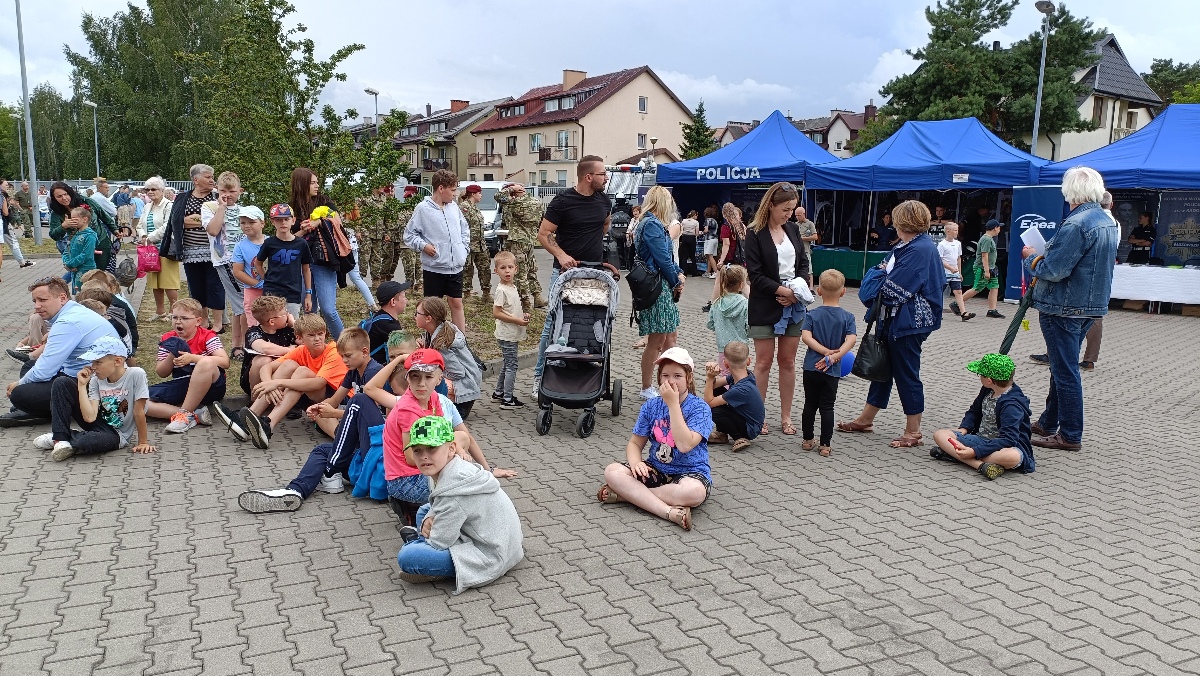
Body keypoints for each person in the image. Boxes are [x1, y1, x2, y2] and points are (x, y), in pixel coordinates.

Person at [1020, 166, 1117, 452]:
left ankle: (1070, 433)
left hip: (1064, 307)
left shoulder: (1077, 223)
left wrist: (1032, 258)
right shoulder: (1106, 220)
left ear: (1069, 192)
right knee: (1062, 368)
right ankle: (1049, 422)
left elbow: (1054, 269)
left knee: (1065, 372)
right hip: (1090, 305)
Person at [838, 200, 945, 448]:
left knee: (906, 374)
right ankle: (866, 420)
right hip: (895, 319)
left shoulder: (919, 249)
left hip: (908, 323)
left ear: (902, 222)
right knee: (882, 369)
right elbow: (875, 286)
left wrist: (880, 274)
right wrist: (880, 275)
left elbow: (890, 292)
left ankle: (913, 431)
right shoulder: (909, 245)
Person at [368, 349, 515, 509]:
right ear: (407, 378)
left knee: (462, 444)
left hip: (421, 469)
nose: (421, 383)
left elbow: (444, 434)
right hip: (405, 480)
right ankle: (426, 519)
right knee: (465, 487)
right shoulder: (408, 409)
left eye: (428, 377)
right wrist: (450, 460)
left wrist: (459, 454)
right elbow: (411, 457)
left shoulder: (434, 398)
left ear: (439, 379)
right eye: (415, 376)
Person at [395, 415, 524, 591]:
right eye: (417, 450)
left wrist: (430, 529)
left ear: (451, 448)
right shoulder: (447, 466)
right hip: (505, 541)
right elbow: (439, 506)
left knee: (407, 557)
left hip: (492, 555)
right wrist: (429, 519)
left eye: (432, 448)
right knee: (423, 512)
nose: (424, 456)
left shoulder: (454, 489)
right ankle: (420, 540)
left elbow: (440, 542)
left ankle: (425, 554)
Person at [597, 347, 712, 531]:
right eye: (665, 375)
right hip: (656, 469)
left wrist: (673, 404)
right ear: (659, 378)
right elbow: (635, 443)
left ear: (689, 378)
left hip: (690, 473)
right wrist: (635, 463)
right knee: (612, 471)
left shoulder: (700, 409)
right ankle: (668, 512)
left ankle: (628, 496)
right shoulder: (651, 406)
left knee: (695, 493)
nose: (670, 381)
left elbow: (684, 445)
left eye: (677, 376)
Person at [532, 155, 612, 392]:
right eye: (602, 174)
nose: (606, 178)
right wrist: (561, 255)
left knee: (593, 321)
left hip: (594, 273)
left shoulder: (604, 201)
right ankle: (540, 376)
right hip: (565, 274)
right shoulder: (563, 201)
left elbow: (604, 225)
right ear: (588, 177)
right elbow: (543, 234)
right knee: (553, 321)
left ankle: (585, 376)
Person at [1, 277, 121, 427]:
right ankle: (38, 409)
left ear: (62, 298)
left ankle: (46, 411)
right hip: (87, 375)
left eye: (42, 300)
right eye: (34, 301)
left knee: (19, 394)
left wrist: (18, 384)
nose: (37, 306)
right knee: (29, 367)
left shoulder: (67, 322)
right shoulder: (75, 311)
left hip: (94, 384)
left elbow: (44, 371)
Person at [744, 182, 810, 436]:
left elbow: (803, 263)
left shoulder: (793, 229)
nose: (789, 214)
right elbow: (755, 274)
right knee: (763, 362)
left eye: (792, 209)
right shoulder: (755, 233)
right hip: (765, 302)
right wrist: (781, 291)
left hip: (793, 303)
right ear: (770, 205)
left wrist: (796, 292)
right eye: (785, 209)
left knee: (788, 361)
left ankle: (786, 417)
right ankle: (758, 416)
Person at [34, 335, 153, 461]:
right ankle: (61, 439)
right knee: (61, 382)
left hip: (116, 434)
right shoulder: (96, 380)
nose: (93, 367)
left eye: (98, 362)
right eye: (92, 362)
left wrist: (143, 442)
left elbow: (138, 411)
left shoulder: (136, 374)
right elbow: (90, 417)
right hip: (97, 422)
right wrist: (81, 385)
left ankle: (63, 436)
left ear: (117, 361)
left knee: (87, 442)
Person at [238, 314, 347, 449]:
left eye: (320, 334)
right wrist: (269, 384)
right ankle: (249, 418)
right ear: (300, 338)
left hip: (338, 398)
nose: (317, 339)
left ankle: (268, 425)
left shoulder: (333, 351)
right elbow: (267, 367)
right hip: (311, 399)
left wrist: (278, 383)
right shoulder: (301, 350)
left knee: (302, 372)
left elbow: (319, 383)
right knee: (289, 364)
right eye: (311, 335)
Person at [930, 354, 1035, 481]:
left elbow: (1009, 439)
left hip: (1002, 447)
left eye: (980, 374)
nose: (979, 377)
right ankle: (981, 465)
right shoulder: (987, 390)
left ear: (989, 380)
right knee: (940, 434)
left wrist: (975, 451)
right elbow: (974, 411)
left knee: (1013, 457)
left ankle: (957, 455)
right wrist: (964, 428)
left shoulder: (1011, 406)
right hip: (980, 439)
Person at [146, 298, 230, 433]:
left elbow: (225, 362)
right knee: (140, 399)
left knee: (206, 362)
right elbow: (161, 373)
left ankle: (182, 415)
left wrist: (193, 358)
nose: (178, 321)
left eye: (184, 318)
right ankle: (192, 415)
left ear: (198, 321)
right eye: (175, 317)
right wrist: (172, 354)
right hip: (183, 384)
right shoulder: (168, 339)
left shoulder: (207, 335)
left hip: (212, 387)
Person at [633, 186, 685, 400]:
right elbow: (663, 258)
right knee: (656, 341)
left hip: (657, 285)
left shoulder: (646, 222)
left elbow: (665, 258)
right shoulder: (652, 224)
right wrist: (676, 280)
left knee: (659, 339)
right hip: (658, 287)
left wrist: (678, 273)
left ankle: (659, 384)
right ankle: (647, 387)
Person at [159, 164, 224, 332]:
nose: (212, 180)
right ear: (196, 180)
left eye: (212, 177)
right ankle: (203, 321)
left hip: (214, 251)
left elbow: (221, 220)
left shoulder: (217, 197)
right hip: (189, 250)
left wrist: (197, 219)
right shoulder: (182, 198)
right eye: (208, 177)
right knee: (196, 287)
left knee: (215, 285)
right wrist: (204, 220)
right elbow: (177, 221)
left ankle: (218, 323)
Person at [800, 270, 857, 457]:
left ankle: (808, 440)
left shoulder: (812, 315)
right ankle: (825, 444)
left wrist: (824, 352)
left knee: (810, 403)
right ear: (843, 292)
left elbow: (806, 337)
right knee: (827, 406)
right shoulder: (847, 317)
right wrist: (835, 356)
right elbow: (851, 340)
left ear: (818, 291)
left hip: (811, 366)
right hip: (832, 370)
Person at [404, 169, 470, 332]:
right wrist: (423, 246)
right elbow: (409, 235)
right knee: (432, 309)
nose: (455, 194)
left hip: (455, 267)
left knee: (456, 303)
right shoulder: (423, 209)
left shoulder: (454, 207)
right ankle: (432, 342)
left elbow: (465, 230)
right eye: (453, 190)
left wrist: (463, 249)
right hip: (434, 268)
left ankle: (461, 342)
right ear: (441, 188)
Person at [289, 167, 347, 338]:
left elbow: (338, 222)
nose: (317, 186)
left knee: (329, 310)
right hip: (302, 263)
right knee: (309, 310)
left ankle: (344, 345)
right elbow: (288, 237)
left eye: (317, 182)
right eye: (313, 182)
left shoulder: (324, 201)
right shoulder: (292, 207)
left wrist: (318, 222)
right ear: (302, 184)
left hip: (323, 260)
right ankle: (314, 349)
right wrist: (302, 231)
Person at [201, 172, 247, 356]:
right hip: (226, 260)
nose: (227, 195)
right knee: (243, 305)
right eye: (223, 191)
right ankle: (244, 344)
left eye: (232, 191)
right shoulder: (209, 207)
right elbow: (213, 230)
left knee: (241, 305)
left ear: (240, 191)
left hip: (244, 260)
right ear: (216, 190)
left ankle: (238, 344)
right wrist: (221, 208)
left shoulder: (244, 209)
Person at [414, 297, 482, 419]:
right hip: (466, 384)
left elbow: (458, 373)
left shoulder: (442, 343)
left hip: (465, 390)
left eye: (417, 313)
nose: (414, 316)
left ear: (428, 318)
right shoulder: (438, 330)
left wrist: (435, 376)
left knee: (430, 380)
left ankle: (450, 408)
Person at [702, 341, 763, 453]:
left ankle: (739, 437)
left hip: (750, 429)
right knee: (715, 392)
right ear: (749, 361)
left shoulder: (741, 389)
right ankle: (722, 432)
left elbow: (708, 402)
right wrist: (712, 375)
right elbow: (713, 386)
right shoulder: (743, 376)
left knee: (713, 410)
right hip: (745, 419)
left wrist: (709, 378)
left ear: (725, 364)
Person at [254, 204, 313, 318]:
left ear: (293, 220)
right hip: (271, 292)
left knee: (291, 325)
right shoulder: (269, 243)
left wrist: (308, 295)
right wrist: (266, 279)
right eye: (279, 220)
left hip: (293, 292)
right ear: (272, 221)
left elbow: (306, 269)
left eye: (286, 219)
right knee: (271, 323)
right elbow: (258, 263)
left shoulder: (301, 244)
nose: (283, 223)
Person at [235, 295, 297, 400]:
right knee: (263, 359)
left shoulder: (288, 330)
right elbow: (265, 348)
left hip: (280, 377)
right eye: (285, 313)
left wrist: (295, 324)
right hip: (253, 380)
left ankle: (285, 400)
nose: (288, 315)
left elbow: (307, 338)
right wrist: (291, 351)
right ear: (272, 321)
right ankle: (255, 400)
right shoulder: (254, 332)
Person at [490, 251, 530, 409]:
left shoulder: (512, 287)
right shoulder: (501, 290)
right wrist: (518, 320)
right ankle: (508, 399)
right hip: (506, 334)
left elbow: (509, 309)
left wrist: (522, 315)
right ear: (496, 271)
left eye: (510, 267)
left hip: (511, 332)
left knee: (508, 363)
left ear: (516, 269)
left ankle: (499, 393)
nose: (507, 271)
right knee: (512, 365)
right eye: (502, 268)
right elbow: (497, 313)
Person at [47, 182, 115, 271]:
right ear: (54, 199)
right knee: (82, 275)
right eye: (59, 196)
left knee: (99, 275)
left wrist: (115, 230)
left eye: (65, 194)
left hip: (101, 244)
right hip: (79, 248)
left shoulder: (86, 201)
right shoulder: (56, 213)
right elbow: (54, 235)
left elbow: (103, 215)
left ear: (70, 192)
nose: (64, 198)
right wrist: (63, 226)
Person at [140, 176, 181, 321]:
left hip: (166, 248)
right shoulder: (146, 206)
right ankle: (160, 311)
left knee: (168, 282)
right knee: (155, 282)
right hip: (150, 251)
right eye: (147, 189)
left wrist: (150, 237)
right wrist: (143, 235)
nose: (150, 192)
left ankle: (173, 311)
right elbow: (139, 225)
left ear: (162, 190)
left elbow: (167, 226)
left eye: (153, 189)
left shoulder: (169, 205)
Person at [701, 203, 748, 313]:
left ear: (724, 213)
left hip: (730, 259)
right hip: (741, 259)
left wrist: (721, 260)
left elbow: (726, 245)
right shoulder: (742, 226)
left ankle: (713, 304)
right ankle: (754, 304)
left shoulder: (726, 226)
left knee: (719, 281)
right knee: (743, 283)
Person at [705, 264, 749, 375]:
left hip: (723, 349)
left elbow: (710, 324)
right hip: (741, 349)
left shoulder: (716, 303)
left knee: (724, 377)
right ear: (741, 285)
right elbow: (749, 325)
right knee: (740, 377)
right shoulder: (745, 303)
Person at [958, 220, 1004, 319]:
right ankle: (957, 304)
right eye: (999, 227)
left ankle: (992, 310)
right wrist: (986, 271)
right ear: (995, 228)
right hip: (982, 268)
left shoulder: (989, 238)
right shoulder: (986, 239)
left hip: (990, 268)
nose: (1000, 229)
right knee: (977, 288)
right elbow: (984, 255)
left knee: (994, 287)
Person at [230, 206, 267, 327]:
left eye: (252, 222)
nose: (247, 225)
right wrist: (257, 284)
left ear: (262, 223)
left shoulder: (272, 242)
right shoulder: (240, 246)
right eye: (243, 222)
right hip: (252, 290)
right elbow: (238, 271)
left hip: (273, 288)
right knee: (253, 319)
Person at [362, 281, 410, 364]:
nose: (407, 300)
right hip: (376, 371)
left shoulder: (379, 317)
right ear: (393, 301)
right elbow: (407, 351)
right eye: (404, 296)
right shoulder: (389, 326)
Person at [458, 184, 492, 303]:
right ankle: (467, 294)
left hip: (480, 244)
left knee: (485, 268)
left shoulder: (475, 207)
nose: (481, 195)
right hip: (468, 244)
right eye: (479, 193)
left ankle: (486, 293)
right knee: (467, 269)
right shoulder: (464, 207)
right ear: (473, 194)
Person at [938, 223, 974, 321]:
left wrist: (959, 272)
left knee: (958, 291)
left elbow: (958, 258)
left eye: (957, 230)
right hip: (944, 273)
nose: (957, 232)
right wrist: (950, 268)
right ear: (948, 231)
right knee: (939, 292)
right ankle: (937, 311)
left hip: (955, 273)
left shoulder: (958, 243)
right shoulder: (942, 244)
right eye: (955, 230)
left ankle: (963, 312)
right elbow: (939, 260)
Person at [62, 206, 99, 294]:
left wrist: (71, 264)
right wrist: (66, 263)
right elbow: (67, 250)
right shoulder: (76, 234)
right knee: (77, 293)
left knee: (85, 294)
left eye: (75, 219)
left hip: (86, 270)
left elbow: (86, 254)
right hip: (75, 270)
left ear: (85, 219)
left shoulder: (90, 236)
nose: (72, 221)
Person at [0, 180, 31, 268]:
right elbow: (5, 212)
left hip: (4, 222)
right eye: (6, 185)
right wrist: (8, 204)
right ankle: (22, 262)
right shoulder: (2, 196)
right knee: (13, 242)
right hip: (3, 222)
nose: (8, 187)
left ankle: (22, 262)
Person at [793, 206, 818, 288]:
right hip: (796, 251)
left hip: (806, 250)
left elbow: (815, 237)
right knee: (796, 268)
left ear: (804, 214)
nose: (797, 217)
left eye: (799, 215)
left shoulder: (810, 224)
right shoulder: (795, 225)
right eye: (796, 215)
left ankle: (811, 288)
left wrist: (802, 238)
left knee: (809, 270)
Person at [679, 210, 700, 276]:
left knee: (684, 256)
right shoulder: (696, 222)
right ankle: (694, 272)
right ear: (694, 215)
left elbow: (681, 231)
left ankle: (684, 272)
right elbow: (697, 233)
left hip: (684, 238)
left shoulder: (683, 221)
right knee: (692, 256)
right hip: (692, 238)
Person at [702, 206, 721, 278]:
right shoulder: (715, 221)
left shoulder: (708, 220)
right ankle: (708, 272)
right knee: (710, 256)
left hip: (709, 239)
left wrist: (702, 232)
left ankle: (716, 272)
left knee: (709, 255)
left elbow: (706, 230)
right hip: (715, 239)